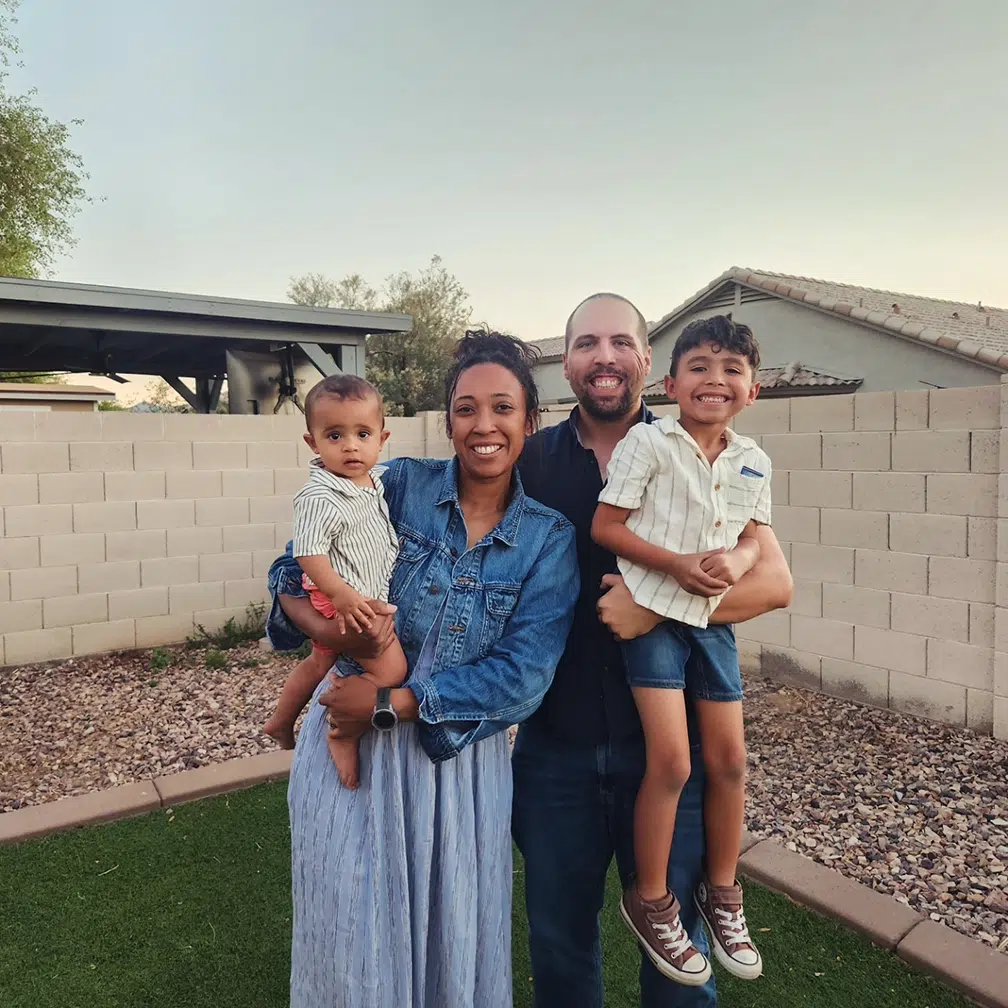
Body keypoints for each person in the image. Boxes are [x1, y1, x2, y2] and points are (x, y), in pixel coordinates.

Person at [265, 330, 579, 1008]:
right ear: (448, 420)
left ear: (529, 420)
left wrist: (388, 704)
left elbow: (523, 677)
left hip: (455, 763)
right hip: (352, 761)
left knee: (451, 942)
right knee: (350, 938)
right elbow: (291, 568)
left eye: (502, 408)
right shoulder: (394, 484)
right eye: (466, 408)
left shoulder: (548, 539)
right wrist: (322, 629)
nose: (483, 425)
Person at [513, 293, 793, 1007]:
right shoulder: (530, 463)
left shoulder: (708, 451)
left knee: (682, 955)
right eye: (585, 343)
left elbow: (773, 584)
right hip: (557, 748)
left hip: (672, 746)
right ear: (566, 361)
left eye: (619, 342)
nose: (602, 357)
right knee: (560, 943)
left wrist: (652, 605)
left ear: (645, 361)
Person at [591, 315, 770, 984]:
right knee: (670, 762)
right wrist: (674, 565)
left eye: (731, 370)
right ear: (669, 383)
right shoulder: (649, 444)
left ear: (753, 390)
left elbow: (755, 537)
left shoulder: (753, 460)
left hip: (711, 622)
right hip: (654, 622)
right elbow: (606, 524)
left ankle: (722, 893)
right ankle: (651, 897)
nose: (714, 379)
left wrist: (740, 556)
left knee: (729, 761)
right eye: (698, 367)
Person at [263, 374, 406, 789]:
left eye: (363, 434)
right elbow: (307, 552)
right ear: (313, 443)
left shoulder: (372, 482)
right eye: (335, 435)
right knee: (392, 668)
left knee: (320, 660)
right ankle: (343, 730)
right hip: (341, 598)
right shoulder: (319, 494)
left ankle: (281, 720)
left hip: (354, 594)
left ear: (382, 438)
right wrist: (340, 595)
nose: (350, 446)